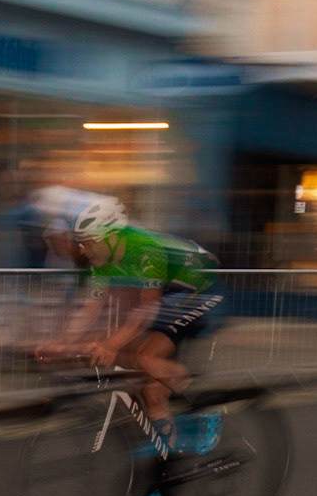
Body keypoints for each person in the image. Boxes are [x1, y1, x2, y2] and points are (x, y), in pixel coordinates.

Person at [38, 195, 225, 464]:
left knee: (146, 356)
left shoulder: (143, 247)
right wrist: (60, 341)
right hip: (171, 295)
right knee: (150, 389)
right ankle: (168, 468)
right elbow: (91, 308)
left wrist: (109, 344)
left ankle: (202, 414)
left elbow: (146, 311)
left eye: (88, 243)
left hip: (203, 289)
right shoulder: (102, 259)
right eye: (80, 244)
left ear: (111, 236)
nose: (82, 251)